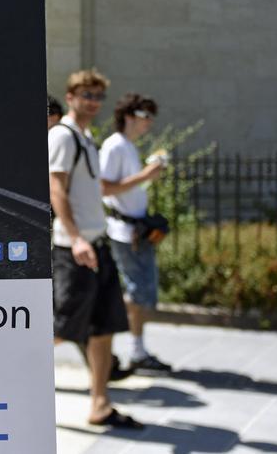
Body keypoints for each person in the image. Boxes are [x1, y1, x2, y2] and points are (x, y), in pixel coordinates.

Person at [49, 69, 140, 429]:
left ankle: (100, 405)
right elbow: (56, 189)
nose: (93, 102)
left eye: (98, 97)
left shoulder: (87, 139)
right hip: (75, 249)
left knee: (103, 327)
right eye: (86, 95)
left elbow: (93, 192)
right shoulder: (62, 136)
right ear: (70, 97)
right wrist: (76, 238)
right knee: (61, 327)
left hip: (97, 247)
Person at [100, 93, 172, 373]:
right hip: (124, 231)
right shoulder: (115, 145)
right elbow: (105, 188)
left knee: (141, 291)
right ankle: (133, 350)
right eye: (145, 117)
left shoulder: (128, 146)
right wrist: (146, 175)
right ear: (128, 116)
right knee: (137, 290)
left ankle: (136, 349)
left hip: (135, 229)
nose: (149, 123)